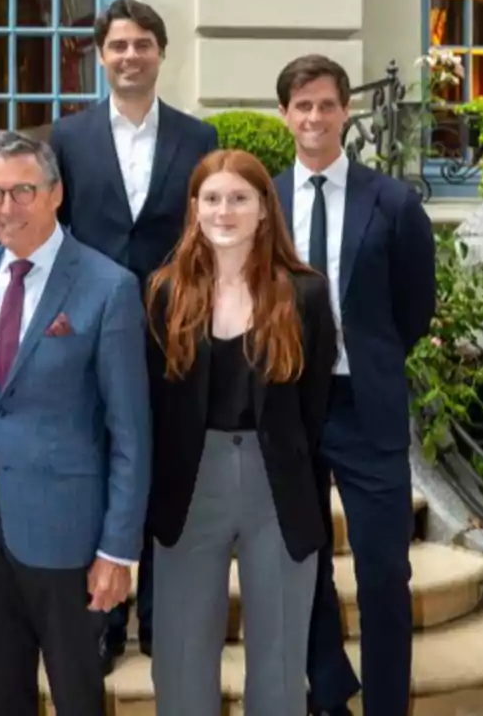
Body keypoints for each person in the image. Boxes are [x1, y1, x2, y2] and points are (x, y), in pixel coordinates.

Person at [0, 131, 152, 716]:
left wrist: (117, 547)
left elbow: (130, 431)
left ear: (56, 193)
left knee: (77, 697)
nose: (6, 207)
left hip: (68, 537)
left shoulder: (108, 286)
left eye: (22, 191)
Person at [50, 0, 218, 668]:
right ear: (101, 57)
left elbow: (205, 234)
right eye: (117, 45)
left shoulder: (198, 139)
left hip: (173, 329)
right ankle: (103, 621)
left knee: (163, 469)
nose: (130, 56)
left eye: (142, 44)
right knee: (100, 469)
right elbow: (59, 238)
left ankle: (161, 619)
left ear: (160, 54)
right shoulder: (66, 138)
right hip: (89, 332)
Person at [271, 55, 436, 716]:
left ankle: (388, 705)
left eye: (326, 104)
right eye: (301, 105)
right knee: (300, 562)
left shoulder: (391, 201)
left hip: (366, 408)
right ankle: (328, 689)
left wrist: (369, 359)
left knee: (384, 572)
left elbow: (413, 306)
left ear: (347, 111)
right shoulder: (264, 199)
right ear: (284, 115)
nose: (314, 117)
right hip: (290, 407)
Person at [145, 149, 337, 715]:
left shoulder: (305, 294)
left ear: (263, 209)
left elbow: (314, 404)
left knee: (278, 662)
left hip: (276, 482)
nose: (224, 211)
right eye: (211, 198)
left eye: (238, 198)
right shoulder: (163, 292)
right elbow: (152, 400)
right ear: (194, 209)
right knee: (180, 660)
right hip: (188, 481)